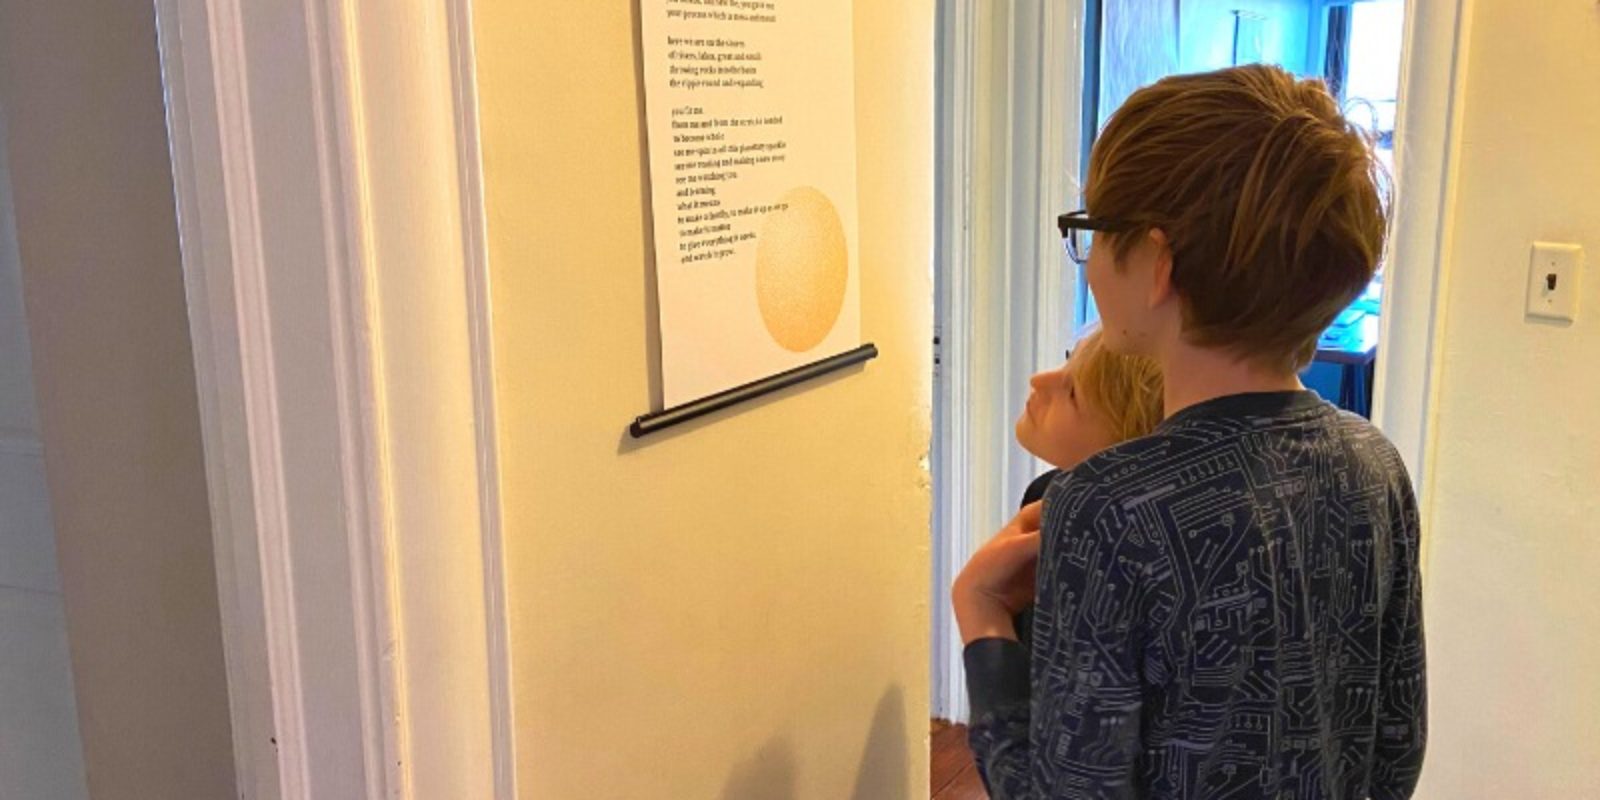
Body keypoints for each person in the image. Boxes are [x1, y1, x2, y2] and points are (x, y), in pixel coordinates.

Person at [952, 64, 1426, 799]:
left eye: (1093, 231)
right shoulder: (1375, 464)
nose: (1087, 264)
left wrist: (982, 619)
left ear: (1156, 264)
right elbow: (1395, 743)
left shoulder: (1108, 505)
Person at [1009, 328, 1164, 655]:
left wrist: (979, 606)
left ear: (1125, 442)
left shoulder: (1118, 538)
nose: (1038, 379)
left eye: (1074, 391)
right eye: (1068, 360)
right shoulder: (1045, 494)